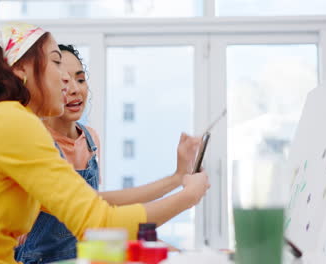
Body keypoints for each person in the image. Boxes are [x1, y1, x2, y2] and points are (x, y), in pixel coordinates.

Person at [0, 23, 210, 264]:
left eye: (78, 76)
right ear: (19, 70)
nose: (66, 82)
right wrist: (188, 195)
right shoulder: (13, 123)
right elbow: (99, 223)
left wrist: (175, 183)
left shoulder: (4, 120)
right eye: (55, 63)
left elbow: (94, 209)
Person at [15, 44, 201, 263]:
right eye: (63, 82)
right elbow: (96, 209)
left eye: (81, 79)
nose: (75, 89)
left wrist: (178, 177)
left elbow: (98, 211)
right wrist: (184, 193)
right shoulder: (35, 141)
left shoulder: (90, 140)